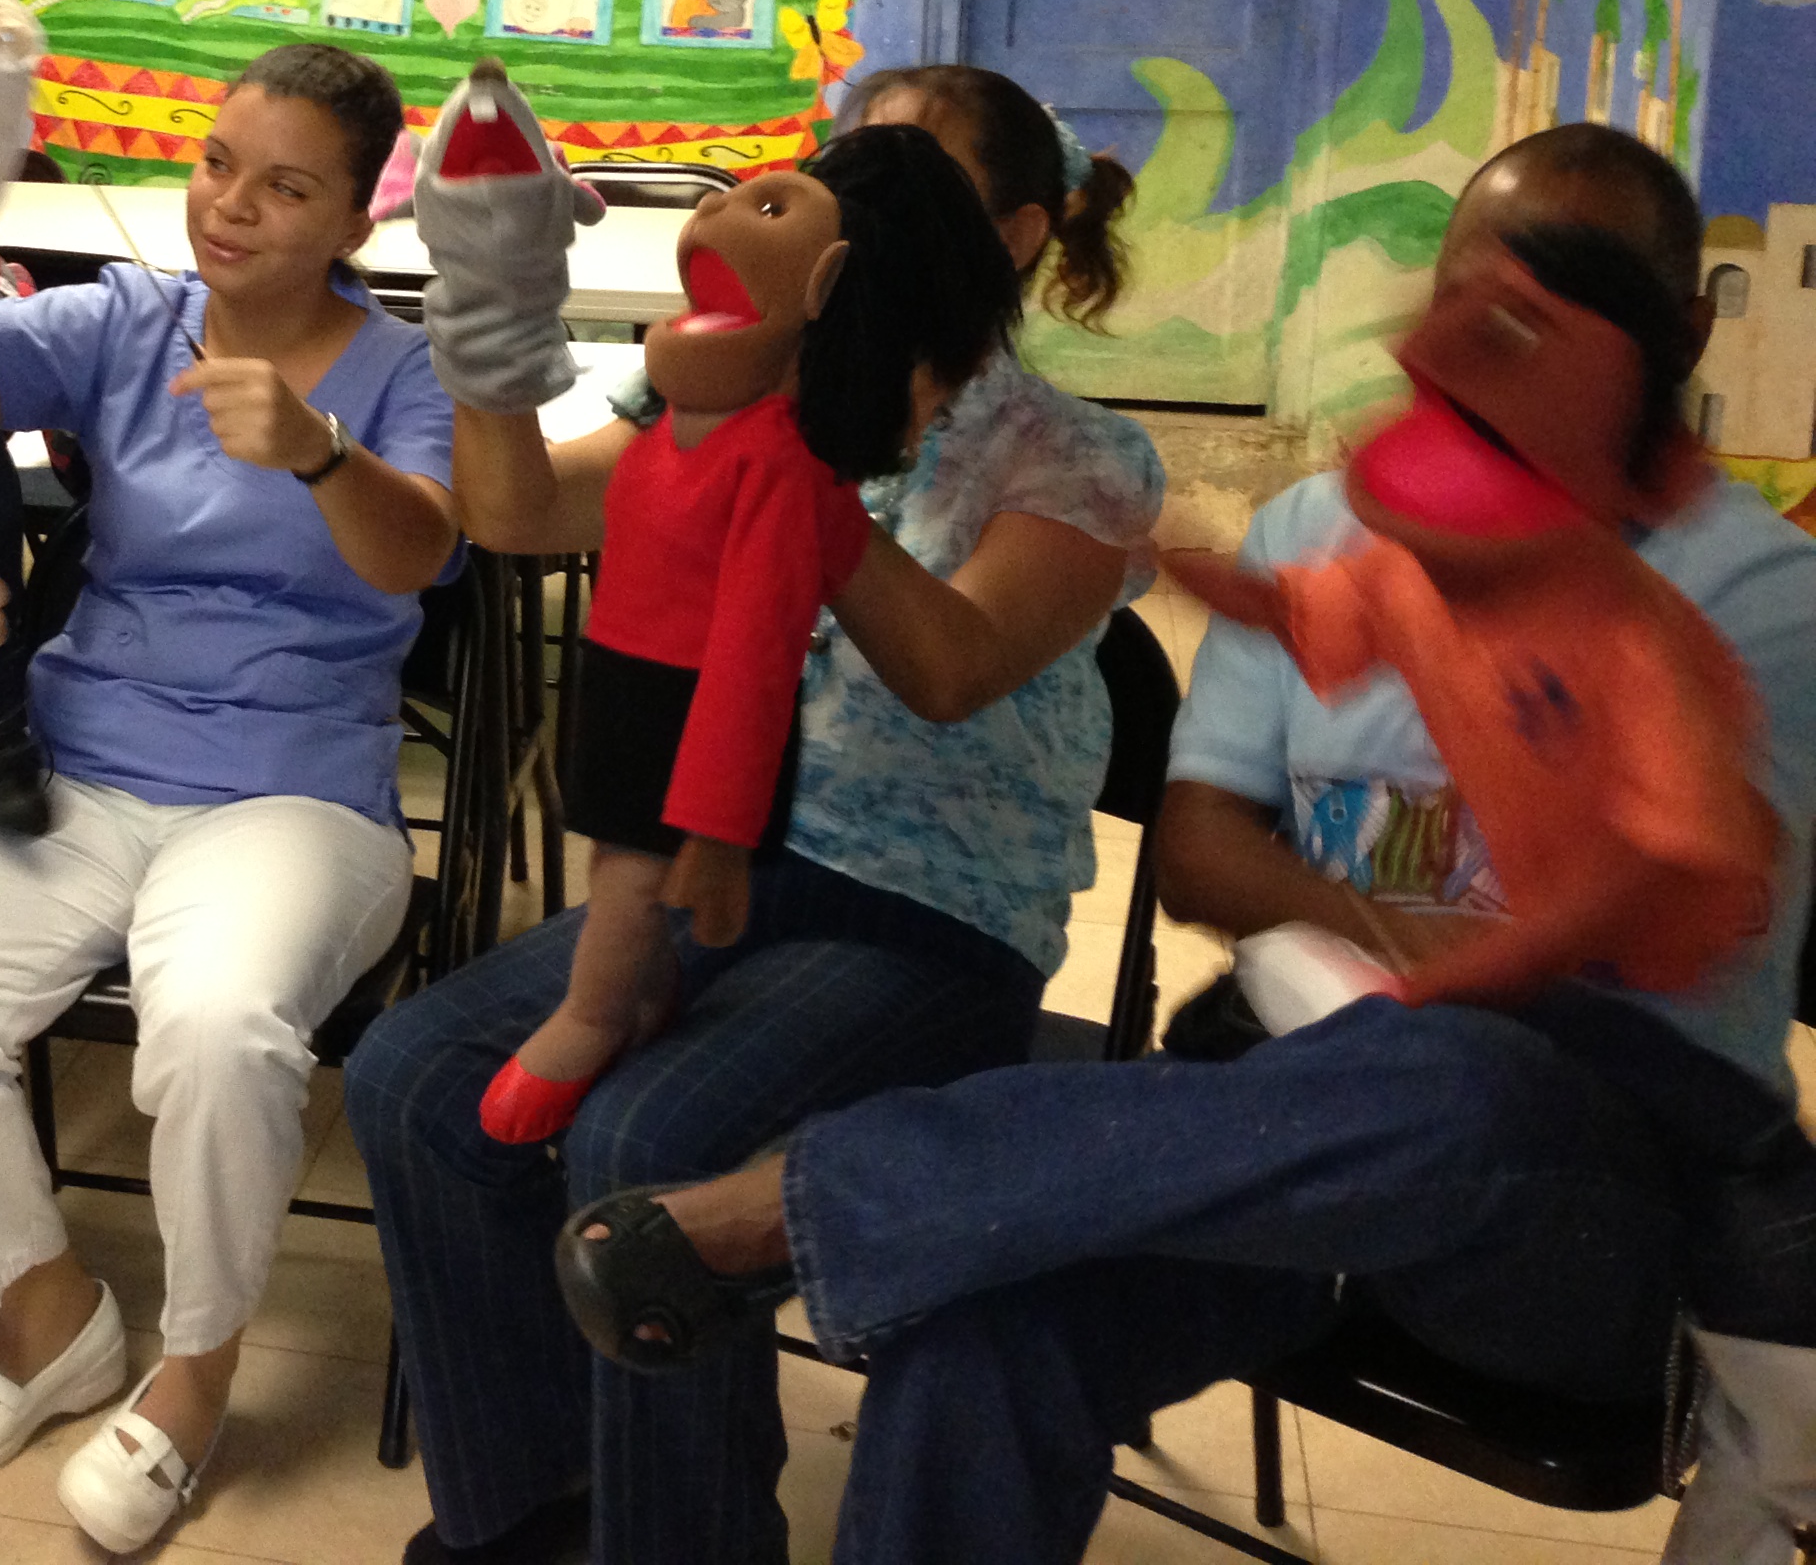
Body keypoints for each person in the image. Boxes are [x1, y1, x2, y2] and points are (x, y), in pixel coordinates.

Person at [602, 123, 1816, 1565]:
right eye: (1473, 293)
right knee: (987, 1329)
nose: (1496, 339)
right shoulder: (1331, 528)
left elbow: (1683, 914)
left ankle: (809, 1198)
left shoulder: (1761, 594)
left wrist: (1458, 967)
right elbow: (1196, 857)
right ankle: (877, 1206)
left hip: (1568, 1206)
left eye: (1561, 303)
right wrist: (1384, 938)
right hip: (1271, 1136)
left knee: (1462, 1082)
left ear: (1671, 333)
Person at [344, 61, 1160, 1565]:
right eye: (840, 183)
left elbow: (956, 667)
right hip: (714, 875)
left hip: (932, 924)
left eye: (907, 194)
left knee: (646, 1146)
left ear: (1018, 236)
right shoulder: (717, 382)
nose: (856, 221)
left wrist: (802, 478)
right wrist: (484, 321)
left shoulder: (1078, 455)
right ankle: (530, 1523)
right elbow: (524, 517)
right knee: (413, 1079)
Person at [0, 42, 464, 1555]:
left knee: (222, 1032)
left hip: (298, 792)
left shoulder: (405, 371)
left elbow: (423, 552)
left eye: (286, 187)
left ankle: (196, 1372)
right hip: (86, 758)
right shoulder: (130, 319)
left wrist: (316, 453)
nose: (231, 208)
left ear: (356, 222)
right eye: (216, 165)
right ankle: (46, 1315)